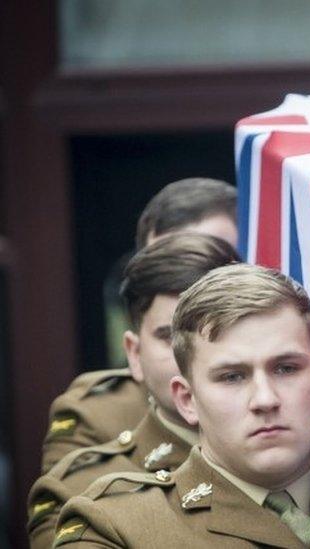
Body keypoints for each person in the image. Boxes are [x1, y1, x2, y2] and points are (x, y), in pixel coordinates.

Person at [53, 263, 310, 547]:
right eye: (232, 377)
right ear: (187, 400)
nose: (265, 400)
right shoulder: (115, 526)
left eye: (286, 369)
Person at [27, 234, 239, 548]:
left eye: (213, 332)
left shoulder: (300, 456)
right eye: (171, 337)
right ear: (134, 354)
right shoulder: (89, 492)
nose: (193, 356)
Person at [42, 177, 238, 473]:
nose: (191, 281)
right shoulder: (99, 414)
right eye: (166, 261)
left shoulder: (281, 392)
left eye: (216, 265)